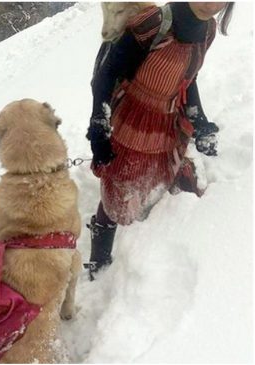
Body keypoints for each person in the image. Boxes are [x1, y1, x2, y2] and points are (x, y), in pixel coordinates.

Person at [86, 2, 233, 278]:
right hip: (133, 119)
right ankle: (99, 259)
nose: (211, 3)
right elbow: (106, 75)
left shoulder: (208, 30)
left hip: (167, 121)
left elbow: (188, 79)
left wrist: (199, 121)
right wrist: (99, 126)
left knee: (174, 179)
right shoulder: (155, 22)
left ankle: (175, 249)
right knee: (119, 190)